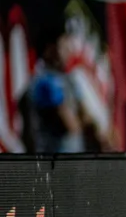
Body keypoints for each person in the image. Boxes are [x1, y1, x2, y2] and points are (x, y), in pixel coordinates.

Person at [24, 20, 83, 154]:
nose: (69, 50)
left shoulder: (68, 77)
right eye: (63, 45)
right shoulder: (44, 81)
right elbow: (71, 124)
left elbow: (84, 114)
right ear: (49, 49)